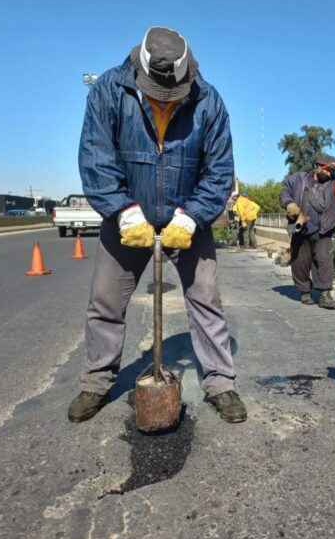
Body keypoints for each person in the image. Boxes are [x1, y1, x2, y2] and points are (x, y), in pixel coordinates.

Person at [69, 26, 247, 424]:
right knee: (105, 303)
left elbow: (219, 172)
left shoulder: (209, 101)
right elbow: (96, 158)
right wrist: (122, 210)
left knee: (206, 302)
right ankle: (96, 382)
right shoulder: (108, 92)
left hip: (188, 218)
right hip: (128, 217)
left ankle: (220, 383)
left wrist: (192, 216)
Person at [279, 154, 335, 309]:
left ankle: (325, 294)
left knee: (324, 260)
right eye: (328, 170)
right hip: (302, 228)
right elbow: (284, 192)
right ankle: (305, 291)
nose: (329, 174)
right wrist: (289, 204)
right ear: (318, 166)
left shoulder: (334, 181)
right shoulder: (299, 179)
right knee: (300, 262)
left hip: (324, 229)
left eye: (332, 171)